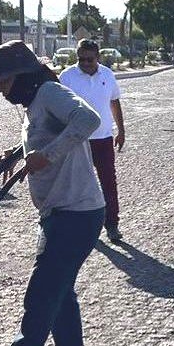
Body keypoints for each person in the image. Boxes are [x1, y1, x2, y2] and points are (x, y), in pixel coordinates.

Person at [0, 40, 105, 346]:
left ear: (22, 76)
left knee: (41, 296)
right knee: (59, 295)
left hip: (75, 214)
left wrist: (47, 156)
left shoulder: (49, 92)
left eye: (4, 81)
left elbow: (88, 120)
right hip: (64, 212)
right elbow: (48, 132)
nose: (1, 90)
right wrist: (19, 153)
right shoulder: (35, 101)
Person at [59, 38, 125, 243]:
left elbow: (114, 102)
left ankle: (112, 224)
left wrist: (121, 130)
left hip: (103, 139)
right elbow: (58, 108)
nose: (85, 63)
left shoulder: (107, 74)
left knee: (108, 183)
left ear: (98, 57)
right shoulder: (67, 77)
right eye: (81, 59)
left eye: (90, 59)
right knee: (77, 185)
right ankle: (79, 227)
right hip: (77, 141)